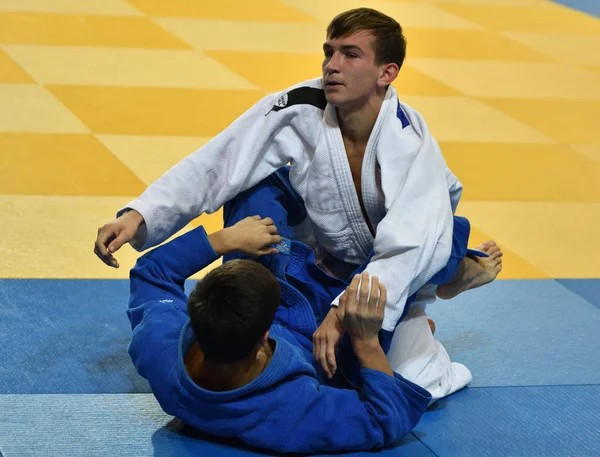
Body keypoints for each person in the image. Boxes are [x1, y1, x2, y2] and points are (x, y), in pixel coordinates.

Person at [96, 8, 502, 399]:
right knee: (250, 182)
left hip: (402, 262)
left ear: (387, 73)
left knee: (405, 382)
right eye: (329, 51)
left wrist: (342, 312)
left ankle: (455, 273)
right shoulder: (301, 105)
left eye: (350, 54)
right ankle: (258, 299)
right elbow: (223, 159)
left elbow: (409, 245)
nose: (332, 65)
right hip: (321, 250)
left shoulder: (411, 147)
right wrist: (139, 214)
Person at [127, 170, 497, 454]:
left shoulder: (161, 349)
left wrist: (225, 240)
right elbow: (386, 421)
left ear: (195, 317)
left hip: (277, 293)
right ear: (262, 342)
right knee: (418, 233)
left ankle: (421, 278)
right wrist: (367, 340)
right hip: (334, 338)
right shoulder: (286, 414)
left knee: (258, 177)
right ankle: (460, 270)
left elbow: (151, 274)